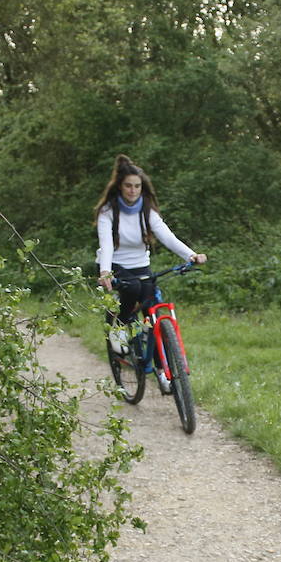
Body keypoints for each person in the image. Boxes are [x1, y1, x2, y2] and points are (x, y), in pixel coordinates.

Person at [94, 155, 206, 389]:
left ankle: (163, 372)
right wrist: (105, 271)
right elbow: (106, 244)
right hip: (114, 264)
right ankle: (119, 328)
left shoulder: (147, 210)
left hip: (140, 265)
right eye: (128, 186)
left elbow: (167, 237)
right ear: (120, 186)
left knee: (152, 310)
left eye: (137, 186)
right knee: (133, 288)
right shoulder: (108, 211)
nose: (133, 191)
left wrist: (191, 255)